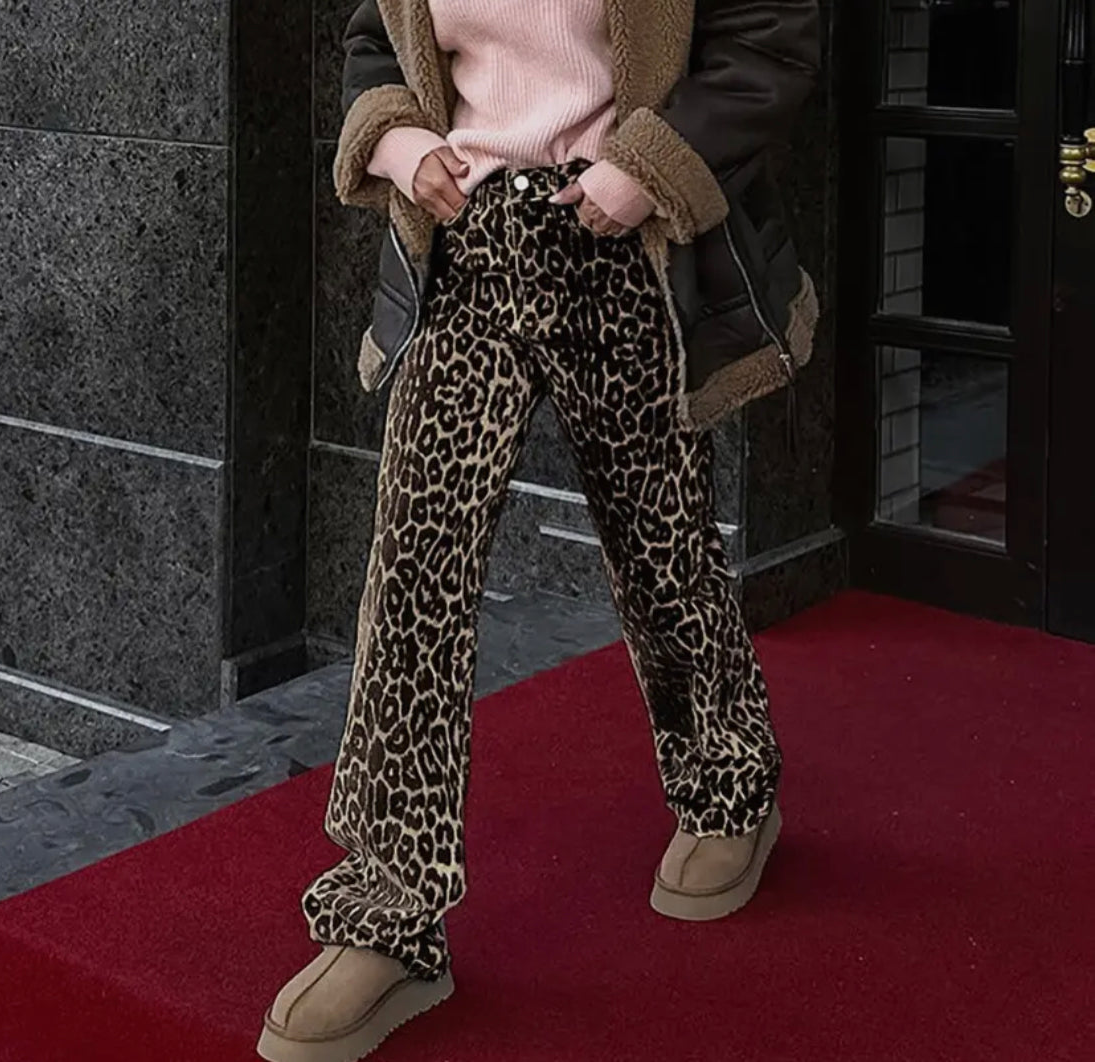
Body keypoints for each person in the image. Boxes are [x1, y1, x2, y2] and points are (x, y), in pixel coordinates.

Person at [257, 2, 820, 1060]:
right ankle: (387, 913)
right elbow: (374, 39)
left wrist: (646, 167)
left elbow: (770, 41)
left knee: (662, 549)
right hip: (467, 251)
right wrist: (399, 140)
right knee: (411, 576)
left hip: (623, 246)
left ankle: (729, 784)